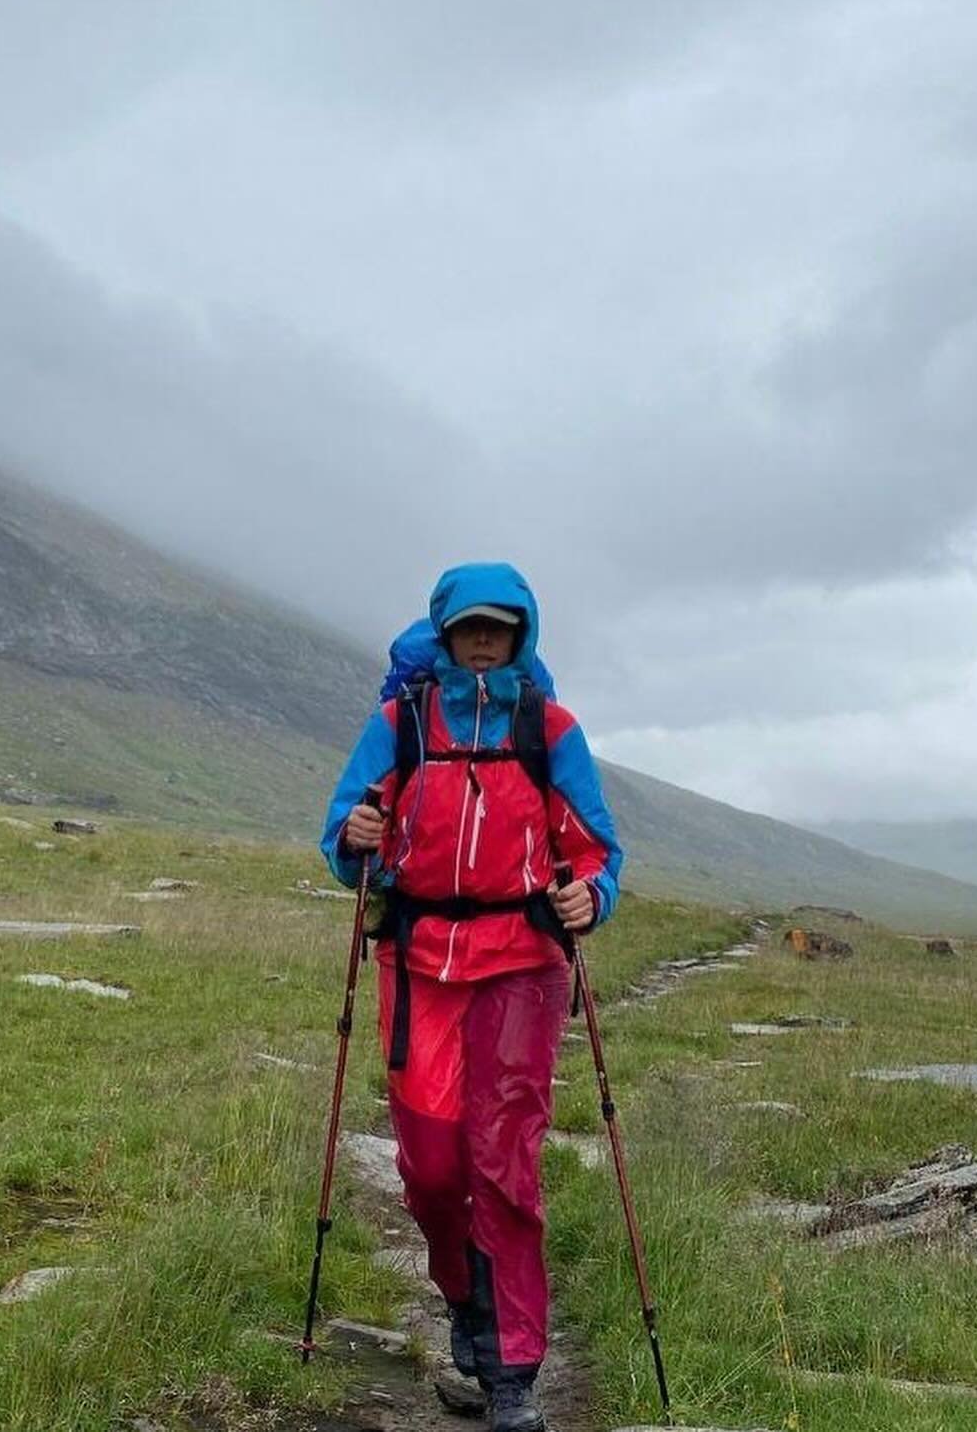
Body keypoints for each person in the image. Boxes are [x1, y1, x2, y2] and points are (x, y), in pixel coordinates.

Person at [322, 562, 622, 1432]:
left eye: (498, 625)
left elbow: (598, 845)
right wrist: (353, 834)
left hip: (523, 966)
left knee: (506, 1164)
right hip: (419, 966)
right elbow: (342, 836)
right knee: (430, 1165)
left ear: (521, 633)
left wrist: (591, 896)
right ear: (445, 634)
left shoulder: (550, 728)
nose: (483, 638)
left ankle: (513, 1369)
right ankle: (463, 1299)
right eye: (468, 626)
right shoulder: (398, 725)